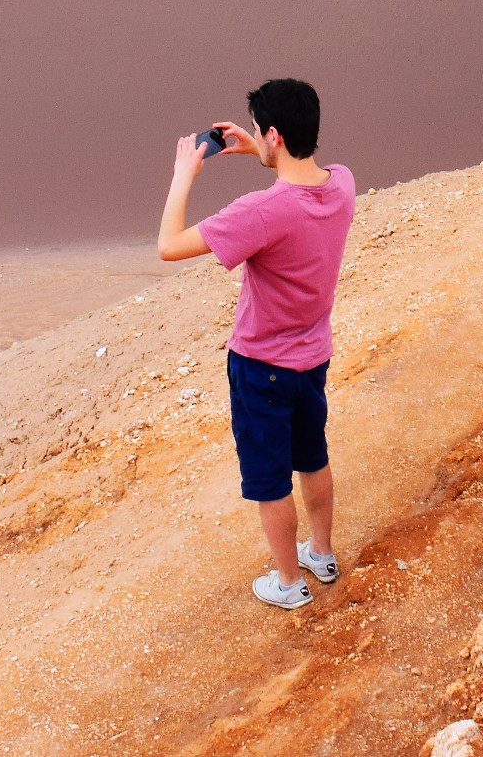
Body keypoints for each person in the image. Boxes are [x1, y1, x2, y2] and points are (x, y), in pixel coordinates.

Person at [157, 78, 357, 610]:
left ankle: (289, 583)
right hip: (313, 357)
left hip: (260, 364)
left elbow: (169, 246)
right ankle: (322, 552)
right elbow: (302, 175)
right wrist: (260, 150)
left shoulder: (260, 212)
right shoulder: (342, 184)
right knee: (312, 456)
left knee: (270, 480)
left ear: (273, 133)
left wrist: (183, 176)